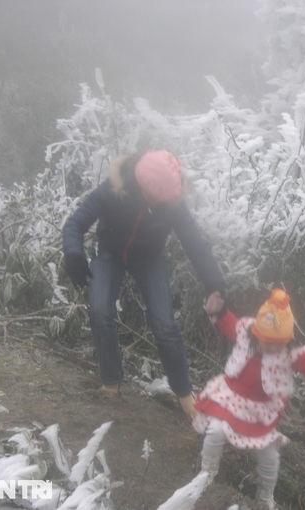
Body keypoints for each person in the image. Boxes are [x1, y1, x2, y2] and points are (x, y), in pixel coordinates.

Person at [62, 150, 225, 420]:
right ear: (140, 184)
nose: (156, 202)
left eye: (162, 198)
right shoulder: (115, 189)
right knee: (100, 311)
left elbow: (194, 244)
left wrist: (215, 284)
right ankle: (111, 382)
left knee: (164, 324)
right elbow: (76, 224)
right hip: (110, 254)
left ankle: (184, 394)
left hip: (150, 259)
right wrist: (74, 255)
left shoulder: (172, 202)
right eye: (152, 195)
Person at [196, 288, 305, 509]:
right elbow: (228, 323)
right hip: (231, 399)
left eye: (275, 343)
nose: (269, 346)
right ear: (256, 333)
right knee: (215, 430)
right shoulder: (246, 331)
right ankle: (207, 473)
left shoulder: (291, 353)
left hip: (261, 411)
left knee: (270, 456)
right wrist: (219, 310)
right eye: (264, 340)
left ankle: (265, 498)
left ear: (287, 340)